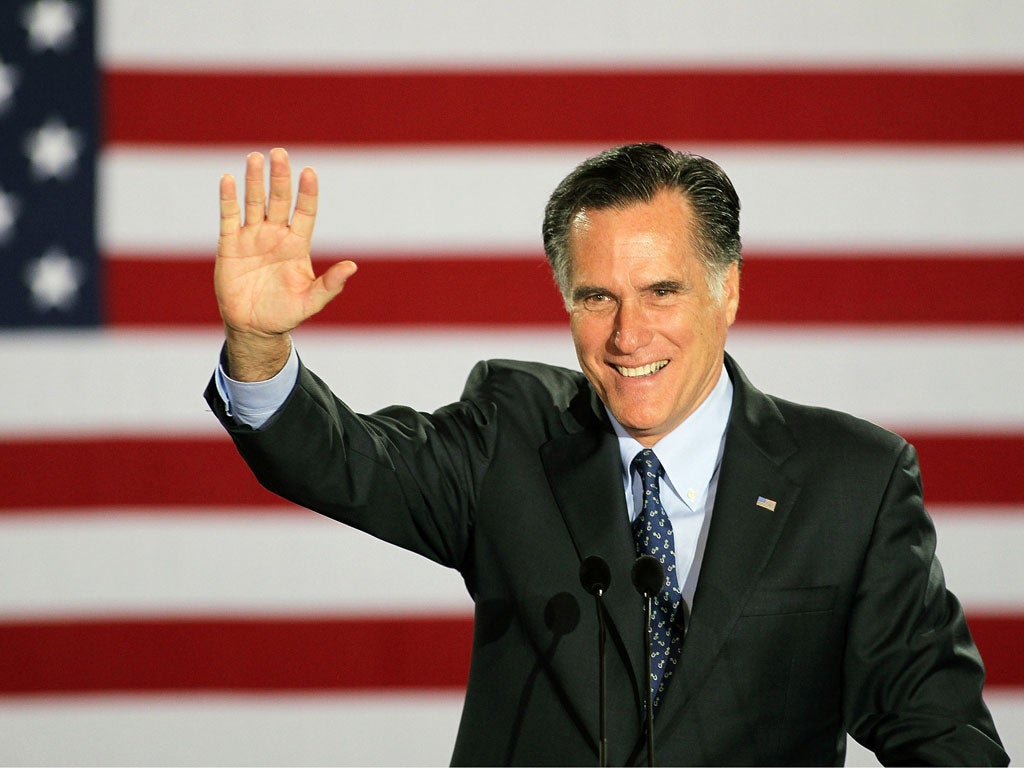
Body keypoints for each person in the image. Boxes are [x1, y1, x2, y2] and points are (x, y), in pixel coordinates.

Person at [205, 143, 1008, 766]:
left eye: (662, 291)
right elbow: (341, 460)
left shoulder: (852, 481)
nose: (629, 336)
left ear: (728, 290)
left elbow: (939, 735)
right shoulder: (511, 439)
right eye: (597, 298)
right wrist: (258, 344)